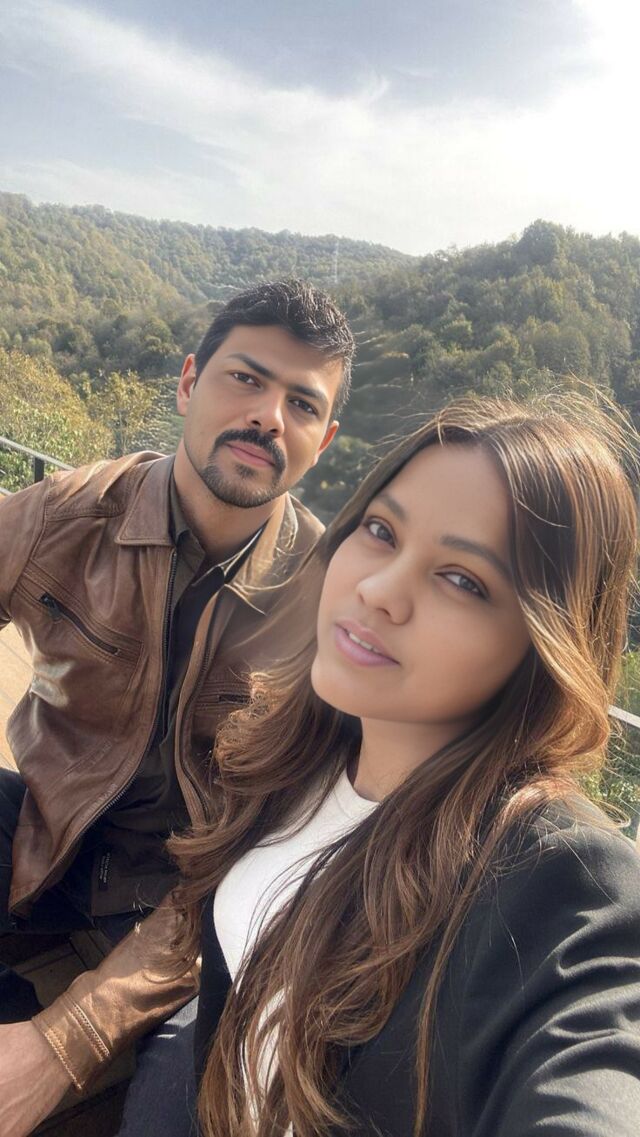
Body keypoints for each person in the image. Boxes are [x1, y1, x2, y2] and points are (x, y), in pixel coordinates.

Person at [166, 392, 640, 1136]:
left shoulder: (555, 877)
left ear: (544, 644)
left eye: (463, 579)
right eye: (382, 531)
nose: (379, 591)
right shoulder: (300, 753)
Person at [0, 279, 354, 1137]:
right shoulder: (65, 516)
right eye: (247, 379)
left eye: (302, 403)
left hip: (198, 903)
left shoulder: (328, 606)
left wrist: (62, 1043)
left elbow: (276, 855)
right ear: (190, 381)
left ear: (324, 440)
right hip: (44, 829)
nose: (268, 416)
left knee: (198, 1097)